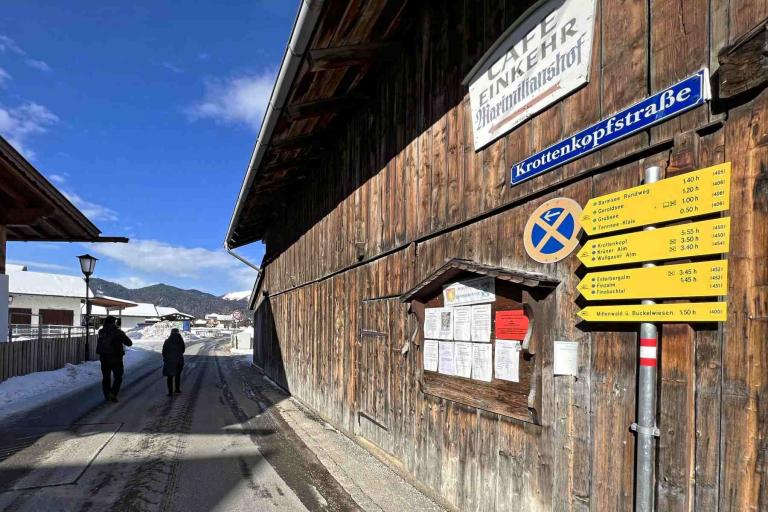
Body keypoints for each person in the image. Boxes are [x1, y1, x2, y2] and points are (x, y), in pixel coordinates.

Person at [96, 315, 133, 402]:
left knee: (106, 377)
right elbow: (129, 343)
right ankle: (113, 393)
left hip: (104, 358)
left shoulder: (101, 332)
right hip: (116, 358)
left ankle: (107, 395)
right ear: (114, 322)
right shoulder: (118, 332)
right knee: (118, 377)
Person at [162, 328, 185, 396]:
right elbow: (183, 350)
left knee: (170, 377)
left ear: (171, 333)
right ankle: (177, 389)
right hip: (179, 361)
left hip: (169, 361)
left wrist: (166, 358)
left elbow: (164, 352)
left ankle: (170, 392)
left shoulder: (167, 341)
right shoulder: (180, 341)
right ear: (178, 333)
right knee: (177, 375)